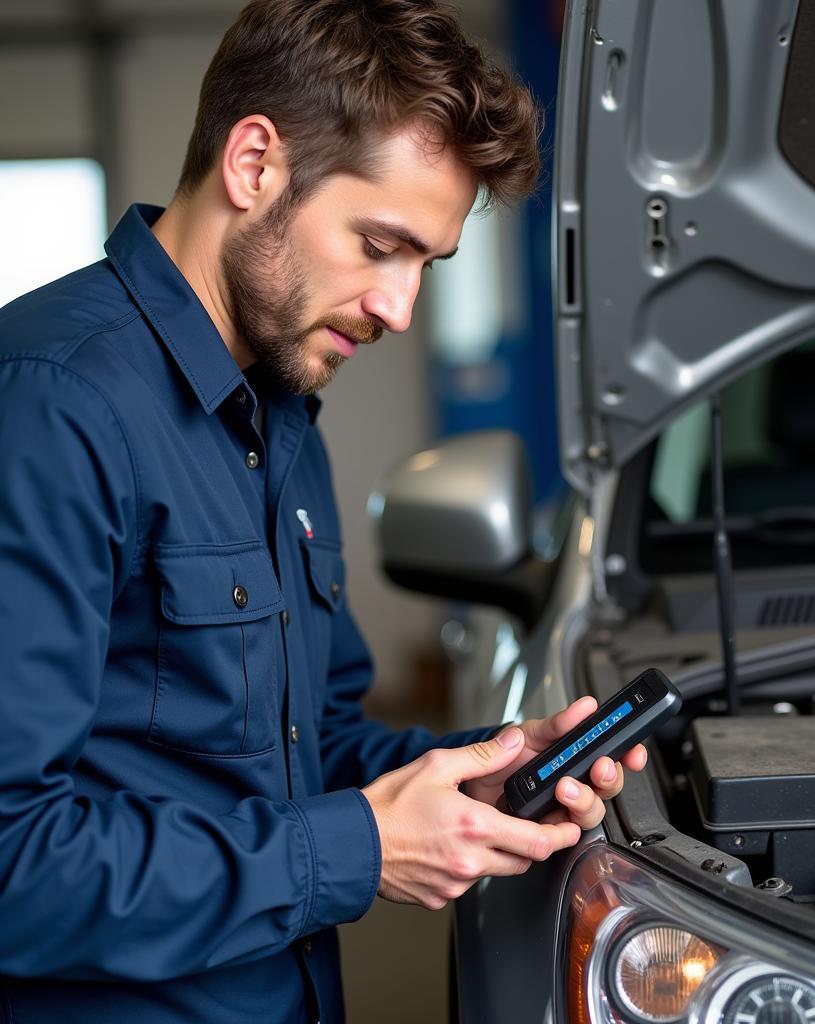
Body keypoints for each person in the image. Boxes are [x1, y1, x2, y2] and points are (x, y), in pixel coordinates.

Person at [0, 2, 647, 1022]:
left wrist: (471, 774)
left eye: (424, 265)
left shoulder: (280, 409)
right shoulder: (51, 404)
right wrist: (358, 850)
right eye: (378, 244)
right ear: (254, 162)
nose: (397, 309)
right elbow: (12, 864)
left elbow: (309, 749)